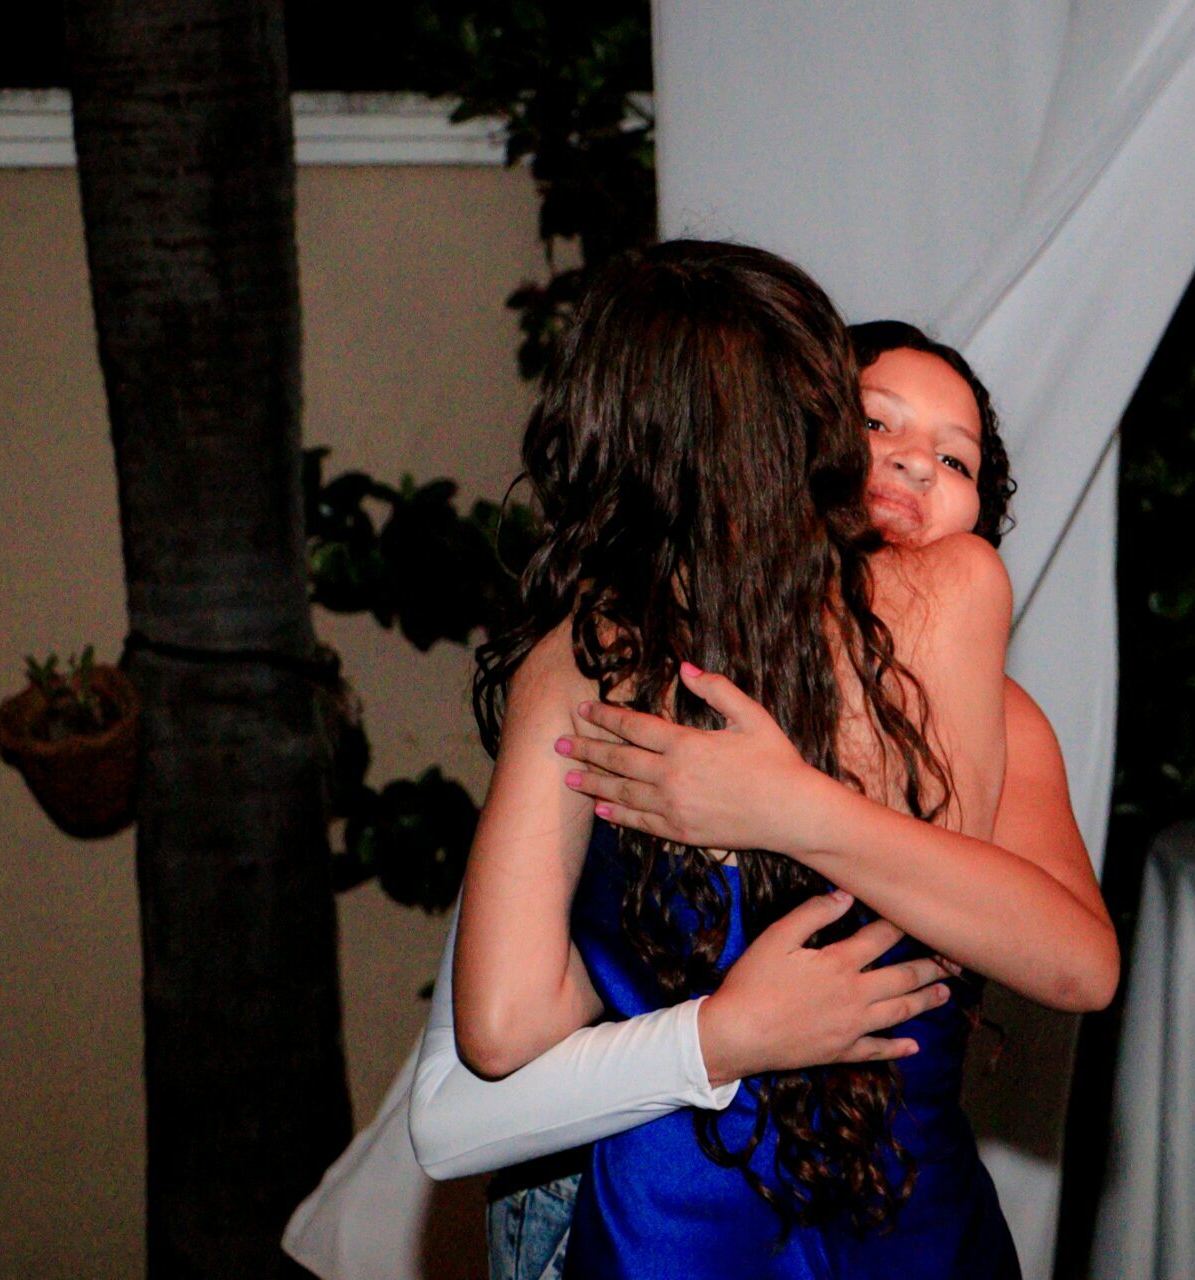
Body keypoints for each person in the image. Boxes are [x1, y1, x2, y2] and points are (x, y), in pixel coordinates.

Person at [416, 247, 1114, 1277]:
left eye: (956, 458)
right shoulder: (592, 655)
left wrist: (786, 811)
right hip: (711, 1197)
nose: (912, 465)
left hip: (730, 1208)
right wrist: (704, 1015)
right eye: (875, 423)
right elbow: (490, 1048)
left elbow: (1058, 959)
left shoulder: (584, 654)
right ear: (815, 431)